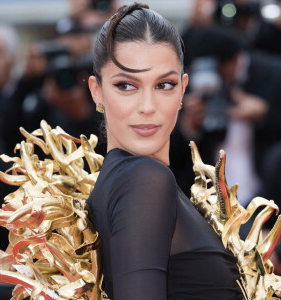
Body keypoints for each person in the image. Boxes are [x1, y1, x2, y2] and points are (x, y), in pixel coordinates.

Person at [86, 3, 243, 299]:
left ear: (183, 89)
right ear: (97, 90)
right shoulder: (144, 179)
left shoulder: (125, 179)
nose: (147, 107)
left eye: (164, 85)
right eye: (126, 86)